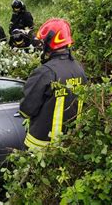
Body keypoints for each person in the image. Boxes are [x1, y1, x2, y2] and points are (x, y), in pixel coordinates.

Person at [19, 18, 87, 149]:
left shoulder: (45, 72)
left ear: (49, 42)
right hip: (70, 145)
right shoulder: (79, 70)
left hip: (41, 146)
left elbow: (26, 110)